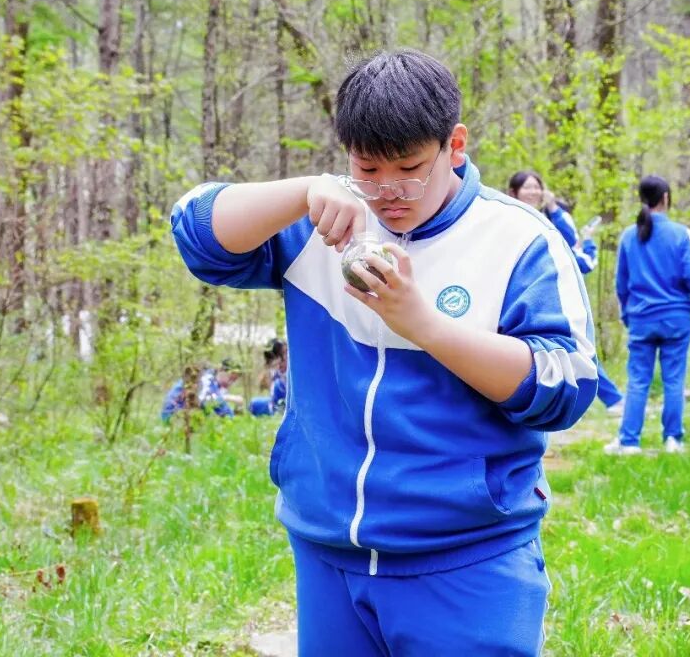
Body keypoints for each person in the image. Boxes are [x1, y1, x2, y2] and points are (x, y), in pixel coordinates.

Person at [170, 49, 597, 656]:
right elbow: (195, 233)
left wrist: (424, 324)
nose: (389, 192)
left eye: (410, 168)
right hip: (327, 552)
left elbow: (566, 384)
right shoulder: (322, 221)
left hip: (467, 559)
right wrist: (304, 191)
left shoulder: (518, 239)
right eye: (367, 168)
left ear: (454, 145)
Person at [604, 175, 690, 456]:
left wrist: (628, 315)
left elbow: (621, 284)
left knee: (638, 380)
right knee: (674, 379)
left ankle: (629, 442)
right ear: (665, 198)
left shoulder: (629, 236)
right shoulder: (680, 233)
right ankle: (672, 439)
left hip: (641, 319)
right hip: (676, 318)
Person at [507, 170, 624, 413]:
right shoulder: (504, 219)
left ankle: (607, 399)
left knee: (574, 348)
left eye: (537, 187)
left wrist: (554, 208)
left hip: (552, 296)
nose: (533, 192)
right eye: (527, 187)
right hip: (517, 298)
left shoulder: (551, 220)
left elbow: (572, 245)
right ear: (513, 192)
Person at [159, 359, 242, 422]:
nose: (230, 383)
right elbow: (205, 401)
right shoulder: (206, 377)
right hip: (173, 415)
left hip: (184, 417)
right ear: (221, 370)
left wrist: (233, 417)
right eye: (230, 378)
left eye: (234, 380)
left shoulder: (215, 385)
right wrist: (227, 398)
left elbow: (221, 408)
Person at [250, 338, 288, 417]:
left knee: (278, 385)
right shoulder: (275, 373)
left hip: (287, 402)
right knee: (253, 404)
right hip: (276, 402)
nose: (285, 357)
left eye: (285, 353)